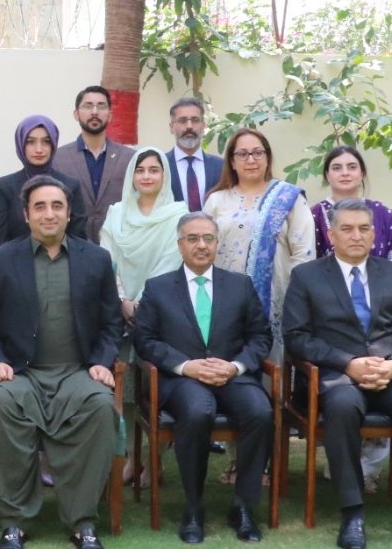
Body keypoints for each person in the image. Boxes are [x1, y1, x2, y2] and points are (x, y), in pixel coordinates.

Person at [0, 175, 121, 549]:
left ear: (69, 213)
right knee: (0, 402)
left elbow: (111, 324)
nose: (49, 214)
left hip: (77, 372)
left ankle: (83, 523)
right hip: (21, 373)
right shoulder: (0, 261)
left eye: (57, 206)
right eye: (40, 206)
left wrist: (102, 364)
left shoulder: (97, 259)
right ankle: (14, 523)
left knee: (101, 406)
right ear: (25, 214)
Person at [283, 199, 392, 549]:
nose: (356, 236)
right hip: (339, 377)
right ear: (331, 234)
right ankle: (352, 513)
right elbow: (296, 336)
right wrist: (348, 363)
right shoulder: (307, 276)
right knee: (342, 407)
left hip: (391, 375)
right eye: (347, 229)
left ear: (374, 233)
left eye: (364, 229)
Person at [134, 213, 274, 544]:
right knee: (198, 412)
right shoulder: (158, 287)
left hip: (232, 375)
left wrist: (236, 366)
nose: (201, 245)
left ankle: (243, 506)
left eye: (208, 238)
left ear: (217, 243)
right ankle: (193, 507)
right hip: (183, 379)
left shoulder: (240, 285)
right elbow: (146, 341)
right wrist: (185, 367)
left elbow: (260, 337)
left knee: (261, 412)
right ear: (180, 244)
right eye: (193, 238)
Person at [310, 144, 392, 490]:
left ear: (362, 173)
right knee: (342, 395)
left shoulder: (381, 213)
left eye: (353, 166)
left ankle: (369, 469)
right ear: (328, 175)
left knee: (382, 379)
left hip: (377, 317)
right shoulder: (313, 214)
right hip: (332, 320)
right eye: (337, 167)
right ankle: (342, 463)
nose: (345, 172)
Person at [203, 128, 315, 356]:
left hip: (277, 302)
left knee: (271, 374)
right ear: (232, 162)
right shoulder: (216, 200)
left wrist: (295, 302)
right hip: (224, 303)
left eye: (257, 153)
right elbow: (200, 250)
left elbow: (304, 254)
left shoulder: (289, 198)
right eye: (242, 154)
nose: (251, 160)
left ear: (267, 158)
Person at [98, 146, 188, 329]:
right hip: (116, 308)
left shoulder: (178, 217)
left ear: (165, 175)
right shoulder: (116, 213)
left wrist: (140, 303)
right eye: (140, 171)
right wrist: (123, 300)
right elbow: (107, 260)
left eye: (154, 170)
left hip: (162, 306)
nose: (146, 176)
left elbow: (169, 264)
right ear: (132, 175)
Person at [0, 114, 88, 247]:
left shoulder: (70, 185)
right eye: (30, 142)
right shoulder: (5, 187)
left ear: (53, 144)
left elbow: (78, 240)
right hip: (15, 264)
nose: (39, 149)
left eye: (46, 142)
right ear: (21, 144)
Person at [51, 85, 135, 241]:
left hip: (119, 247)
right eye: (88, 106)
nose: (95, 112)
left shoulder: (130, 158)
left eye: (101, 106)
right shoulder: (58, 159)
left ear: (110, 115)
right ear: (76, 114)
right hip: (73, 247)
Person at [166, 97, 223, 209]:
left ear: (204, 126)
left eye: (195, 120)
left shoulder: (221, 166)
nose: (189, 126)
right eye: (182, 120)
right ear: (171, 127)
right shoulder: (160, 166)